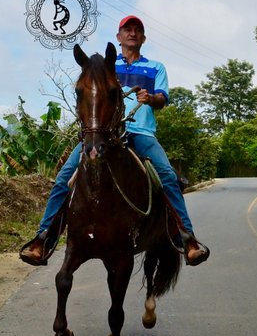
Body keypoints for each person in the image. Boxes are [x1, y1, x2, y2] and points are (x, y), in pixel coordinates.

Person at [20, 15, 209, 267]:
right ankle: (43, 239)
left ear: (143, 38)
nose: (132, 33)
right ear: (119, 37)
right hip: (104, 133)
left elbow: (163, 99)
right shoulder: (108, 66)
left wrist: (150, 98)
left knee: (168, 177)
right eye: (127, 29)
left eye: (137, 30)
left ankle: (187, 239)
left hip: (141, 132)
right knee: (64, 178)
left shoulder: (156, 67)